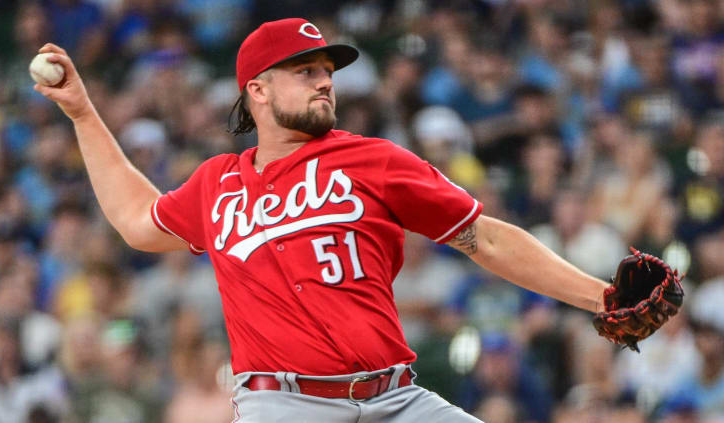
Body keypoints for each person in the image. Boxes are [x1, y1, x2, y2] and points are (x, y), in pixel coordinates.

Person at [35, 17, 610, 423]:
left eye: (326, 70)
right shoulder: (217, 183)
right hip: (283, 407)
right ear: (257, 90)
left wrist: (599, 298)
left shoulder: (372, 158)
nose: (325, 80)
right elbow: (137, 221)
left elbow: (483, 236)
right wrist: (84, 114)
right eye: (305, 70)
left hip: (396, 399)